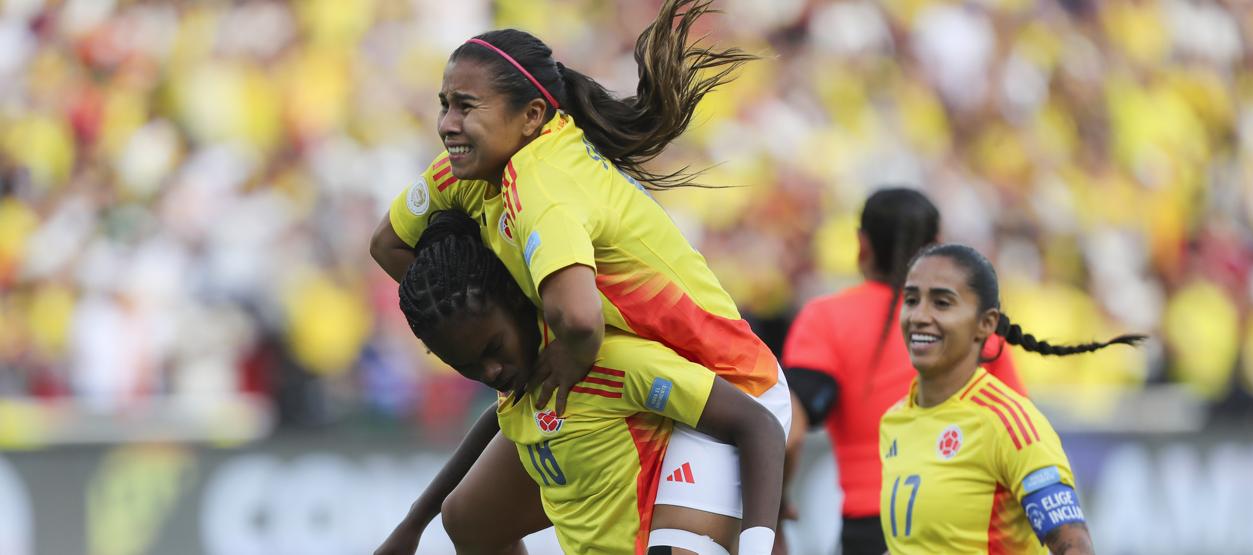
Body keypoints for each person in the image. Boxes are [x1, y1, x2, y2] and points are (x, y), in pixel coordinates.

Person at [369, 0, 792, 551]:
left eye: (466, 106)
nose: (448, 123)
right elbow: (388, 245)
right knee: (471, 521)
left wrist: (555, 344)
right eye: (444, 104)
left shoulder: (543, 183)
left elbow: (578, 320)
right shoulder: (473, 171)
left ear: (531, 117)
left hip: (724, 384)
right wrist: (481, 298)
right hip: (624, 366)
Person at [374, 210, 784, 554]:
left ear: (517, 302)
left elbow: (758, 424)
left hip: (662, 534)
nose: (491, 372)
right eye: (468, 365)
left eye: (493, 348)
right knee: (462, 518)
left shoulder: (611, 362)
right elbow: (503, 420)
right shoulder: (520, 382)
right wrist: (414, 523)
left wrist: (758, 546)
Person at [779, 188, 1025, 554]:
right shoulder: (971, 323)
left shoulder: (826, 319)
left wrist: (777, 505)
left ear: (862, 245)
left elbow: (791, 433)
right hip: (965, 526)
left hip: (872, 526)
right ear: (939, 247)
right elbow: (1019, 436)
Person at [879, 243, 1142, 554]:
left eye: (942, 303)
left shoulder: (1008, 422)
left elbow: (1074, 545)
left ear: (986, 324)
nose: (919, 315)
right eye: (911, 300)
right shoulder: (895, 420)